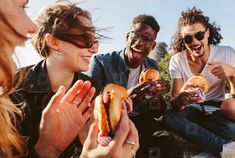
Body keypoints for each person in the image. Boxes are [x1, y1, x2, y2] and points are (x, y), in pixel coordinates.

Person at [0, 0, 139, 157]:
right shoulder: (15, 87)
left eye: (95, 41)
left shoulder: (92, 89)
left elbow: (98, 146)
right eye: (85, 38)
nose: (94, 48)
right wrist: (46, 149)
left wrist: (110, 129)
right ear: (54, 42)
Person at [88, 14, 169, 157]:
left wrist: (157, 97)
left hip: (141, 120)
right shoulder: (101, 62)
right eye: (136, 35)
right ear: (127, 37)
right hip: (111, 123)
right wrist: (128, 97)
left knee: (167, 143)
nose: (139, 42)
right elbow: (91, 107)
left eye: (146, 39)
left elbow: (157, 112)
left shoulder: (152, 67)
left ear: (153, 45)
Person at [162, 6, 235, 155]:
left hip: (217, 108)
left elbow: (234, 98)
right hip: (191, 108)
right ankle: (225, 149)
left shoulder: (226, 53)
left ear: (207, 32)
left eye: (199, 35)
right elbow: (175, 102)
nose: (194, 42)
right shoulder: (177, 60)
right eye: (188, 38)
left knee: (231, 128)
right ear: (183, 40)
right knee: (169, 118)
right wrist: (181, 100)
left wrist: (232, 74)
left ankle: (198, 133)